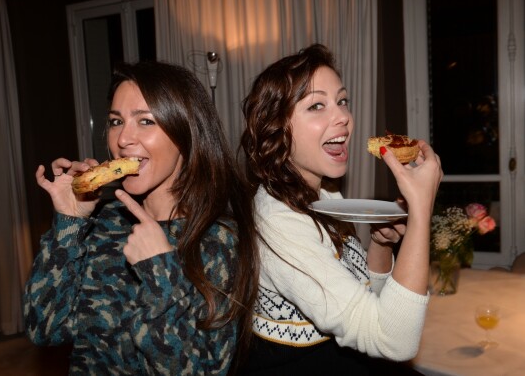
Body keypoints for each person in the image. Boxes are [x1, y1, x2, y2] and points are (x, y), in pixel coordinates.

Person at [23, 61, 259, 375]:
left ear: (185, 132)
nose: (122, 139)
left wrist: (158, 273)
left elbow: (202, 369)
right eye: (116, 121)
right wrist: (69, 223)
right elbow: (45, 328)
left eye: (145, 121)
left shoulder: (218, 241)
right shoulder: (108, 222)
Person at [238, 44, 443, 375]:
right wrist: (421, 211)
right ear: (275, 127)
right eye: (317, 105)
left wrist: (381, 244)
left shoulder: (325, 194)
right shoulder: (277, 221)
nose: (344, 117)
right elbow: (395, 340)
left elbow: (372, 302)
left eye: (342, 101)